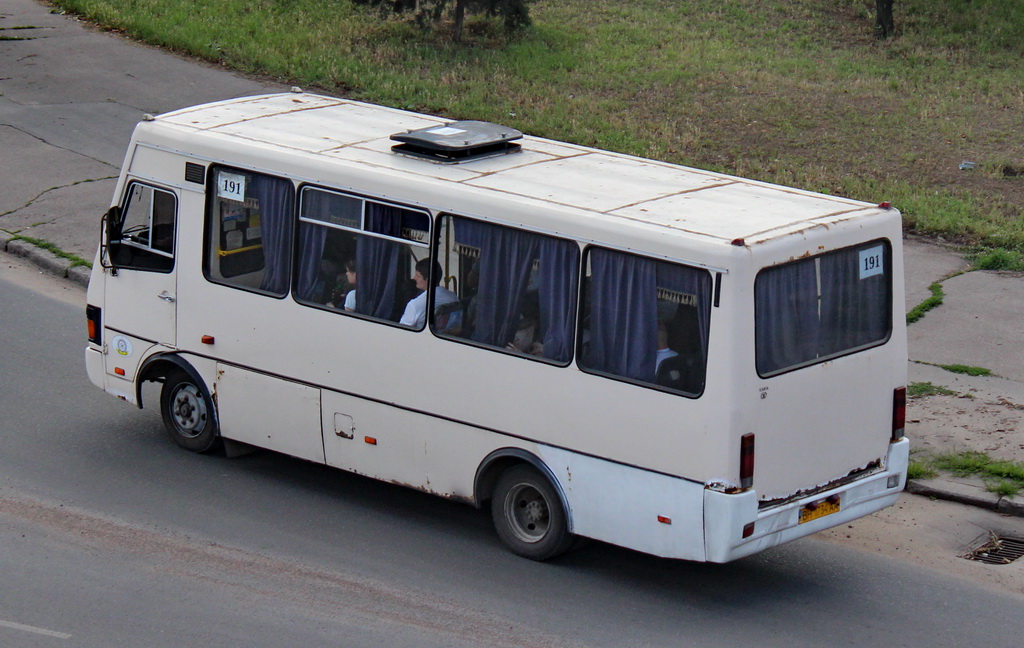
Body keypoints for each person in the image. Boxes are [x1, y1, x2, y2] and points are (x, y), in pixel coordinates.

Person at [399, 258, 458, 328]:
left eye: (418, 276)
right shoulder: (453, 297)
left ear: (428, 279)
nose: (414, 278)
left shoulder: (414, 305)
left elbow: (402, 331)